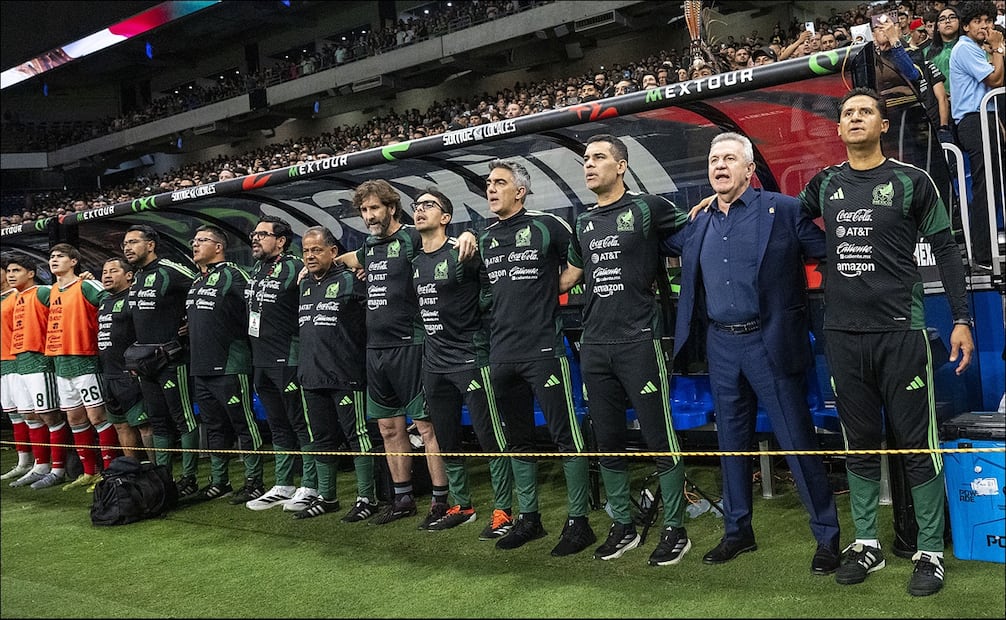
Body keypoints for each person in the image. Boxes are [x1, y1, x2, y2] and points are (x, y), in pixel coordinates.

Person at [799, 87, 974, 597]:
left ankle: (929, 552)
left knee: (917, 445)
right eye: (848, 113)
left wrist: (961, 317)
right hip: (842, 335)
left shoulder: (910, 180)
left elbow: (945, 247)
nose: (855, 118)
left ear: (881, 125)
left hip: (902, 333)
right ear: (839, 129)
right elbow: (785, 221)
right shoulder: (824, 183)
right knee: (857, 445)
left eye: (865, 112)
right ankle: (867, 544)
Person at [661, 132, 841, 574]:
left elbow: (834, 254)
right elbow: (656, 238)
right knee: (731, 446)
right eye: (713, 160)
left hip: (771, 342)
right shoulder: (698, 222)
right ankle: (737, 532)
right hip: (721, 346)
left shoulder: (784, 210)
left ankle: (828, 537)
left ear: (748, 169)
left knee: (798, 443)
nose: (719, 166)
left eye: (728, 159)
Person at [557, 134, 693, 565]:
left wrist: (709, 208)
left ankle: (675, 528)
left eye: (598, 158)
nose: (589, 165)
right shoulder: (582, 222)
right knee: (608, 439)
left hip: (640, 340)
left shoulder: (648, 208)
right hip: (594, 344)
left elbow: (694, 235)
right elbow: (569, 277)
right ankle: (623, 525)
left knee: (658, 437)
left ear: (621, 165)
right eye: (585, 159)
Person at [479, 158, 595, 556]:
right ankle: (529, 519)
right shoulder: (484, 238)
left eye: (499, 183)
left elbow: (579, 261)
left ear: (520, 191)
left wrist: (552, 289)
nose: (491, 189)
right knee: (519, 439)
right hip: (501, 354)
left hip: (545, 350)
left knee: (567, 437)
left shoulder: (547, 225)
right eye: (488, 183)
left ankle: (579, 524)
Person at [332, 179, 454, 528]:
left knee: (426, 427)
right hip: (376, 349)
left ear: (391, 208)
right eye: (364, 210)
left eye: (375, 208)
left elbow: (447, 244)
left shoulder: (413, 237)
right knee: (387, 428)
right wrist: (312, 268)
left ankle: (440, 499)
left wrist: (467, 238)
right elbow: (347, 258)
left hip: (411, 345)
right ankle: (402, 498)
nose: (369, 216)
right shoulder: (370, 247)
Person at [410, 188, 514, 535]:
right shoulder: (415, 261)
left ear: (446, 217)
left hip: (470, 358)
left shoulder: (463, 251)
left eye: (428, 205)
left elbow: (492, 289)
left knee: (489, 435)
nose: (420, 210)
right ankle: (462, 504)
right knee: (447, 437)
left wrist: (470, 234)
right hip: (434, 364)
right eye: (417, 206)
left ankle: (503, 510)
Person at [295, 225, 379, 520]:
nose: (310, 256)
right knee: (322, 439)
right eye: (305, 250)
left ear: (334, 252)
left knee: (358, 437)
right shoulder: (304, 284)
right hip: (311, 375)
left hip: (346, 374)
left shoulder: (352, 281)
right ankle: (327, 497)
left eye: (317, 249)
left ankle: (368, 498)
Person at [243, 215, 319, 513]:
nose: (255, 238)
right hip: (260, 360)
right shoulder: (257, 269)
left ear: (281, 240)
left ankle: (311, 485)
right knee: (276, 425)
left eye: (262, 234)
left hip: (288, 357)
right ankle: (284, 483)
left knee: (301, 424)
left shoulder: (295, 266)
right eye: (254, 234)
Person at [184, 224, 265, 502]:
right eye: (194, 240)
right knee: (214, 425)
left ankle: (255, 481)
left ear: (218, 247)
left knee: (244, 423)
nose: (195, 245)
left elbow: (255, 309)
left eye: (202, 240)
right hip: (201, 366)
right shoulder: (197, 280)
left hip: (231, 364)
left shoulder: (233, 274)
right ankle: (220, 481)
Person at [123, 224, 201, 495]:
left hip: (172, 359)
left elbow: (202, 286)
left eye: (133, 242)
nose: (127, 248)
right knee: (158, 421)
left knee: (183, 419)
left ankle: (189, 478)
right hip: (145, 362)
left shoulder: (170, 269)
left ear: (151, 245)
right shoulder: (137, 276)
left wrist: (193, 320)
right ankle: (164, 477)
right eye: (125, 244)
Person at [45, 243, 118, 491]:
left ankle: (109, 471)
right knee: (75, 418)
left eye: (60, 256)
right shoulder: (52, 290)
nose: (54, 260)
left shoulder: (86, 285)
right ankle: (89, 472)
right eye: (51, 257)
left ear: (74, 261)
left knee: (98, 416)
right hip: (61, 364)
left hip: (85, 360)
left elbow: (111, 300)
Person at [6, 254, 70, 489]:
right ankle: (40, 465)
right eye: (9, 271)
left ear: (30, 273)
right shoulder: (17, 297)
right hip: (22, 362)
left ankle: (58, 469)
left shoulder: (43, 292)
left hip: (41, 361)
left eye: (16, 270)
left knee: (50, 415)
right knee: (30, 416)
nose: (11, 275)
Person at [949, 0, 1004, 270]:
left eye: (989, 20)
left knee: (993, 185)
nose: (985, 26)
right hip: (974, 121)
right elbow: (994, 80)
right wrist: (998, 48)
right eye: (978, 21)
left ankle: (988, 247)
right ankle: (983, 254)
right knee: (986, 186)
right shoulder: (965, 48)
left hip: (986, 119)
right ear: (967, 25)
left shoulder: (976, 49)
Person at [96, 257, 153, 461]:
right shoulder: (103, 300)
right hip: (108, 374)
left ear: (129, 275)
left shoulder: (134, 299)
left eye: (113, 271)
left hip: (129, 374)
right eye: (104, 272)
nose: (107, 276)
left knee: (144, 425)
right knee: (120, 424)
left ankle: (155, 470)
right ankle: (132, 470)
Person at [1, 257, 35, 481]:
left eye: (14, 270)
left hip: (18, 360)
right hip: (2, 364)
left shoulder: (18, 296)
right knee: (13, 414)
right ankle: (23, 461)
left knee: (30, 413)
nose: (12, 274)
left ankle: (44, 463)